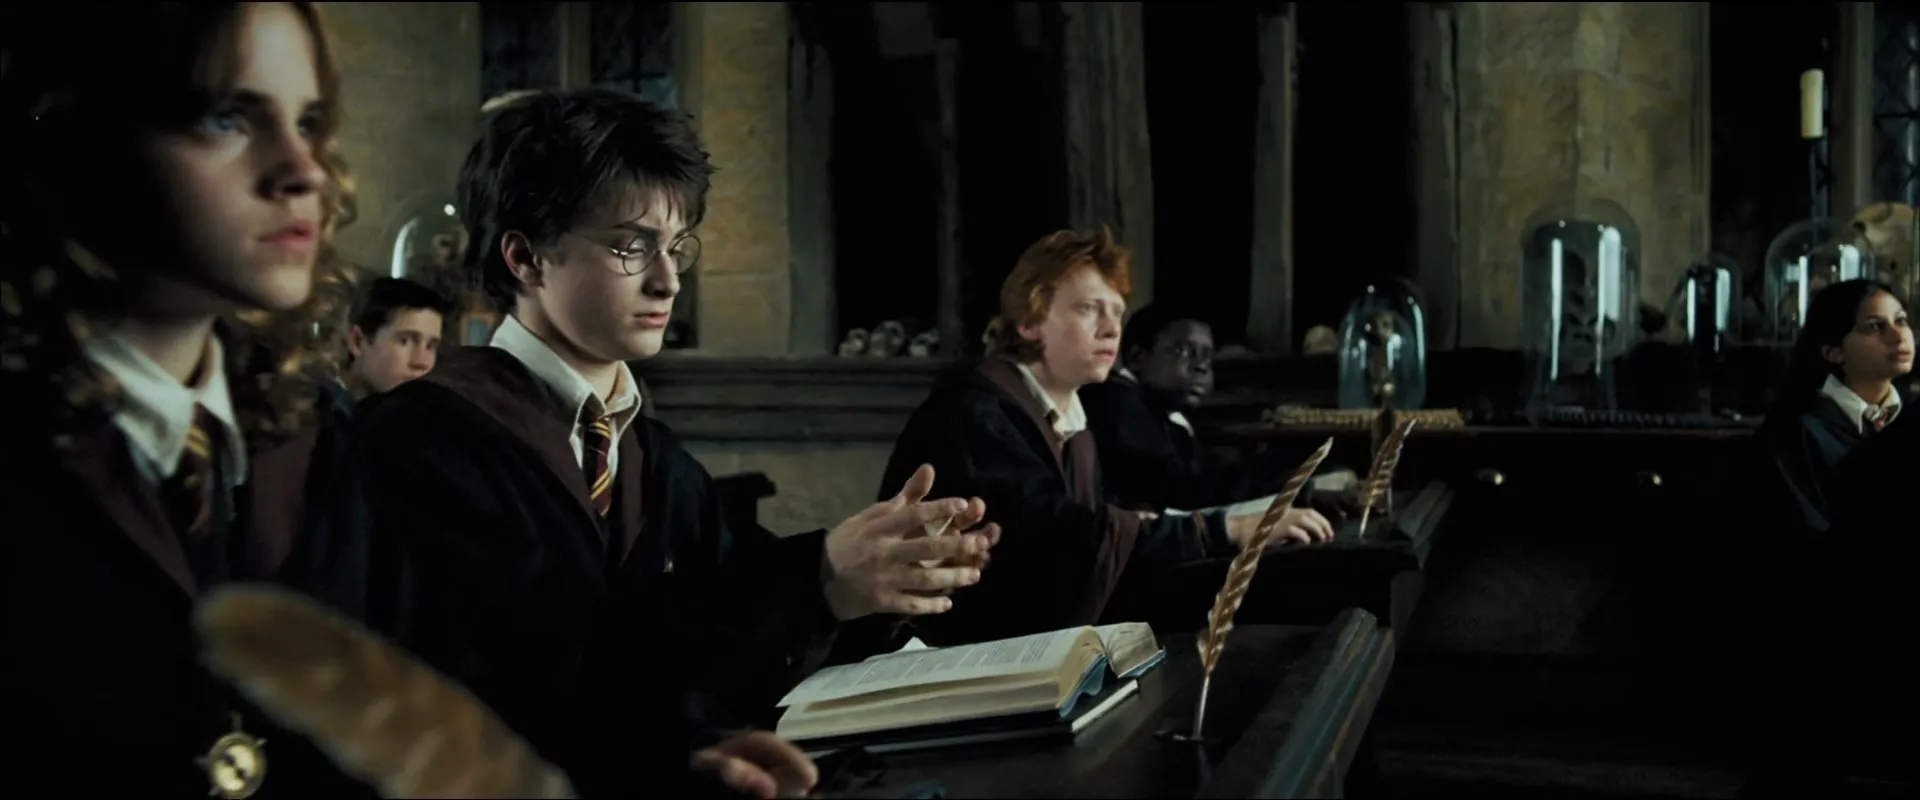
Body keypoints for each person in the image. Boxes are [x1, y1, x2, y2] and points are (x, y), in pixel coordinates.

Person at [308, 88, 999, 799]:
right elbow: (539, 672)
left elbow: (726, 624)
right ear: (526, 257)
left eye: (675, 246)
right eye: (629, 246)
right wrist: (815, 581)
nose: (668, 281)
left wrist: (882, 576)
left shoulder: (649, 453)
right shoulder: (415, 441)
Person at [0, 3, 368, 796]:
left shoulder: (316, 446)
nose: (303, 170)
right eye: (225, 118)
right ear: (76, 139)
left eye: (308, 122)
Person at [877, 228, 1332, 648]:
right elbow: (1061, 538)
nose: (1111, 328)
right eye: (1088, 309)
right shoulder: (974, 413)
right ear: (1030, 322)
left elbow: (1106, 523)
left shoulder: (1072, 424)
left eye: (1116, 313)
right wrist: (1225, 529)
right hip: (935, 656)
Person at [1081, 304, 1357, 519]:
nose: (1201, 367)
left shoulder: (1165, 413)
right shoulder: (1115, 402)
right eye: (1183, 351)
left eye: (1207, 357)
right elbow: (1184, 492)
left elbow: (1213, 475)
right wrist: (1299, 487)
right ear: (1137, 358)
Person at [1756, 278, 1911, 536]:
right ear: (1833, 351)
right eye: (1875, 326)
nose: (1898, 337)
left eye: (1901, 321)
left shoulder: (1908, 418)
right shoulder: (1796, 433)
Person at [336, 276, 451, 402]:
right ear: (357, 341)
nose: (422, 363)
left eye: (430, 346)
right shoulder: (322, 405)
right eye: (405, 341)